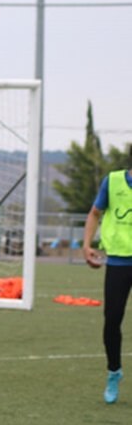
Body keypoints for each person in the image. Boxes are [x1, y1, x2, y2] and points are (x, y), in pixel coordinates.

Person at [82, 161, 132, 404]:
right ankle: (114, 372)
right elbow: (94, 213)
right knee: (112, 320)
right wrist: (86, 245)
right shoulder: (112, 182)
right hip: (119, 263)